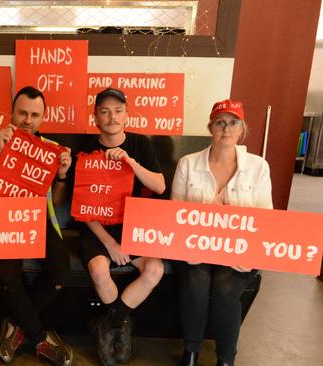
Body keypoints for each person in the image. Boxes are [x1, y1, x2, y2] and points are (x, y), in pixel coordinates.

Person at [0, 86, 73, 366]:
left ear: (43, 117)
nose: (28, 120)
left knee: (60, 271)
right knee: (8, 275)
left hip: (38, 222)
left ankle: (15, 327)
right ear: (12, 113)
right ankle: (41, 338)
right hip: (2, 221)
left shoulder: (52, 149)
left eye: (34, 115)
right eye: (23, 113)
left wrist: (62, 176)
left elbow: (56, 199)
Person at [171, 99, 272, 366]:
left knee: (225, 290)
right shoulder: (188, 164)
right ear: (210, 127)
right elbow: (173, 215)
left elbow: (266, 219)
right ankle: (191, 352)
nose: (226, 129)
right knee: (195, 285)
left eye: (233, 122)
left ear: (242, 129)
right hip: (194, 250)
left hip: (241, 252)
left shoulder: (259, 167)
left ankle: (226, 360)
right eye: (220, 123)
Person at [76, 87, 166, 366]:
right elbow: (84, 207)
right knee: (99, 269)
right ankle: (121, 325)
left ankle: (110, 323)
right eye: (104, 111)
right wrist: (110, 244)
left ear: (127, 115)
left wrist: (131, 163)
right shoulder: (86, 149)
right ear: (96, 117)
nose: (111, 116)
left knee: (155, 269)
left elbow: (160, 186)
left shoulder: (141, 144)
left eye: (117, 110)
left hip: (135, 225)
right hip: (98, 228)